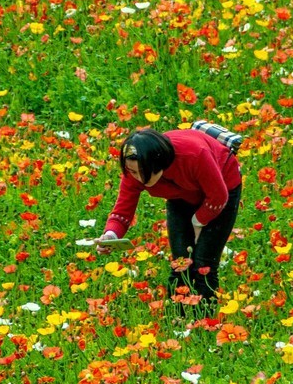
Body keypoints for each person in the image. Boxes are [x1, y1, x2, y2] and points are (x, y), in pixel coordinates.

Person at [98, 128, 242, 313]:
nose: (139, 178)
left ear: (160, 162)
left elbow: (218, 196)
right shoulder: (133, 171)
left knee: (203, 264)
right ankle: (178, 322)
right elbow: (123, 211)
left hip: (222, 190)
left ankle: (206, 324)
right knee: (181, 262)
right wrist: (110, 235)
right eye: (133, 172)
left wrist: (198, 222)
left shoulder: (194, 154)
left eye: (143, 171)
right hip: (180, 197)